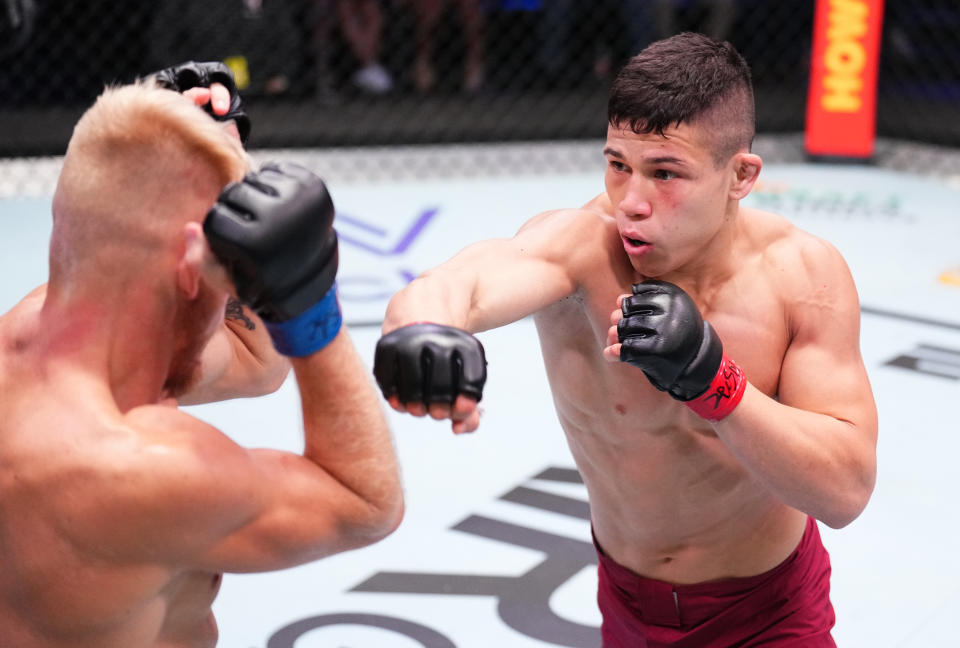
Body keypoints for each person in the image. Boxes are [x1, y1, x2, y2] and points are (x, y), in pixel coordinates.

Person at [373, 32, 877, 647]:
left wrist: (714, 385)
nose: (631, 202)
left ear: (740, 176)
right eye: (618, 165)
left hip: (768, 611)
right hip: (623, 598)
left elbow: (846, 492)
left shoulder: (800, 277)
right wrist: (425, 327)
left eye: (666, 173)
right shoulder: (583, 248)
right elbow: (464, 283)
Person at [0, 69, 403, 646]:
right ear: (194, 271)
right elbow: (366, 504)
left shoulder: (46, 338)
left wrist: (221, 163)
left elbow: (255, 362)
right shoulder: (142, 467)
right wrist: (307, 303)